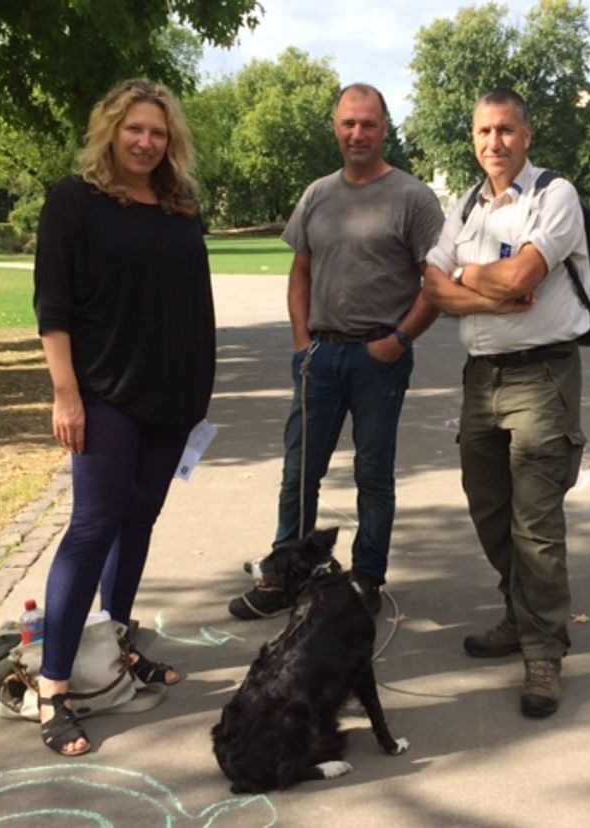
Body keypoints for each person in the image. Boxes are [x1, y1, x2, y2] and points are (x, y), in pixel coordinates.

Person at [32, 78, 216, 755]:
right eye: (135, 128)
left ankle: (115, 642)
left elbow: (192, 299)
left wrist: (199, 391)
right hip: (105, 393)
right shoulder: (72, 203)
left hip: (172, 398)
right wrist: (65, 393)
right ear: (111, 129)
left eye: (158, 132)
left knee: (138, 520)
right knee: (93, 525)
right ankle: (55, 690)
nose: (145, 141)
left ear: (171, 143)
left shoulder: (178, 206)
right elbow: (53, 307)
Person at [227, 83, 444, 620]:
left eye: (369, 123)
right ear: (336, 127)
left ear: (385, 128)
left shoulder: (413, 199)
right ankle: (283, 579)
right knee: (300, 471)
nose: (358, 133)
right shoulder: (318, 194)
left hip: (379, 360)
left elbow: (437, 283)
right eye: (349, 123)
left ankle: (366, 578)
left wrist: (398, 342)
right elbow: (300, 271)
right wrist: (302, 343)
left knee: (373, 474)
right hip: (320, 358)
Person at [421, 87, 590, 718]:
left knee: (536, 525)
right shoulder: (464, 207)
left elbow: (526, 277)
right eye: (484, 132)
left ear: (528, 134)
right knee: (488, 506)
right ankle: (522, 615)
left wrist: (468, 279)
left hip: (542, 378)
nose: (495, 143)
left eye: (507, 131)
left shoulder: (555, 196)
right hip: (480, 379)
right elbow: (432, 288)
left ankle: (543, 649)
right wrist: (485, 289)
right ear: (473, 139)